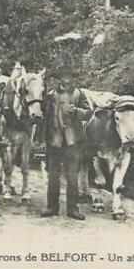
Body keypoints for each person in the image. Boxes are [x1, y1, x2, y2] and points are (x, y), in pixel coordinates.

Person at [41, 66, 92, 220]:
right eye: (64, 75)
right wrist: (43, 140)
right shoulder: (50, 95)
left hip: (73, 141)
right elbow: (46, 119)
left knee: (72, 176)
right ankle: (52, 207)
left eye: (69, 75)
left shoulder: (79, 94)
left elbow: (89, 113)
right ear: (60, 78)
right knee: (53, 176)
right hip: (55, 140)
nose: (67, 78)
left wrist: (76, 111)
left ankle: (72, 209)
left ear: (72, 78)